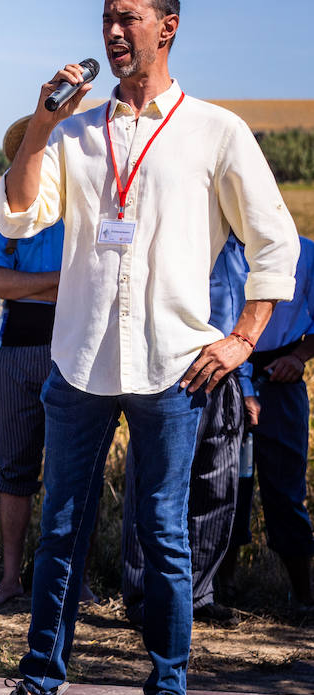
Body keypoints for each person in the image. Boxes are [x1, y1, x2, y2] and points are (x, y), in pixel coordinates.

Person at [0, 0, 298, 695]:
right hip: (78, 363)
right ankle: (40, 690)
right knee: (61, 527)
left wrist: (243, 340)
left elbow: (275, 242)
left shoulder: (216, 133)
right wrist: (43, 125)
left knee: (164, 537)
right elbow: (17, 213)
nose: (113, 33)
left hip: (177, 369)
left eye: (127, 19)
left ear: (167, 27)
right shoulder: (77, 137)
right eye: (106, 20)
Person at [120, 234, 256, 627]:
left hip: (227, 373)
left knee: (217, 485)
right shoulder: (180, 230)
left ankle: (196, 595)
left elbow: (239, 318)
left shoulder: (240, 248)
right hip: (173, 371)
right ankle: (144, 597)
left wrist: (246, 386)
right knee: (155, 484)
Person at [0, 218, 71, 608]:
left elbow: (96, 284)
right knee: (14, 469)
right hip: (14, 354)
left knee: (75, 473)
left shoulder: (87, 207)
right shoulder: (7, 218)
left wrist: (25, 283)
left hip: (74, 355)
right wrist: (59, 281)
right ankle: (11, 579)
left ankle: (72, 583)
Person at [218, 234, 314, 614]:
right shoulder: (218, 249)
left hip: (281, 378)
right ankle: (221, 589)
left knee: (286, 486)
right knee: (225, 485)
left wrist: (299, 357)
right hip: (225, 375)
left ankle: (303, 595)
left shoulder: (304, 251)